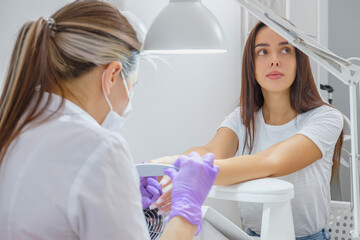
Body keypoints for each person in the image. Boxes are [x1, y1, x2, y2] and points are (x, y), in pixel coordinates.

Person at [0, 1, 219, 239]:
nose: (129, 102)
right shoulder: (98, 149)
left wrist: (120, 197)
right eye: (132, 87)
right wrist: (187, 210)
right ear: (112, 75)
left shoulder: (15, 127)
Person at [150, 21, 344, 240]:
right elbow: (212, 150)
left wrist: (188, 170)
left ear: (300, 60)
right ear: (250, 64)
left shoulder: (325, 118)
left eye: (286, 50)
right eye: (262, 51)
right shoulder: (243, 118)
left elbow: (271, 162)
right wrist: (168, 167)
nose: (274, 60)